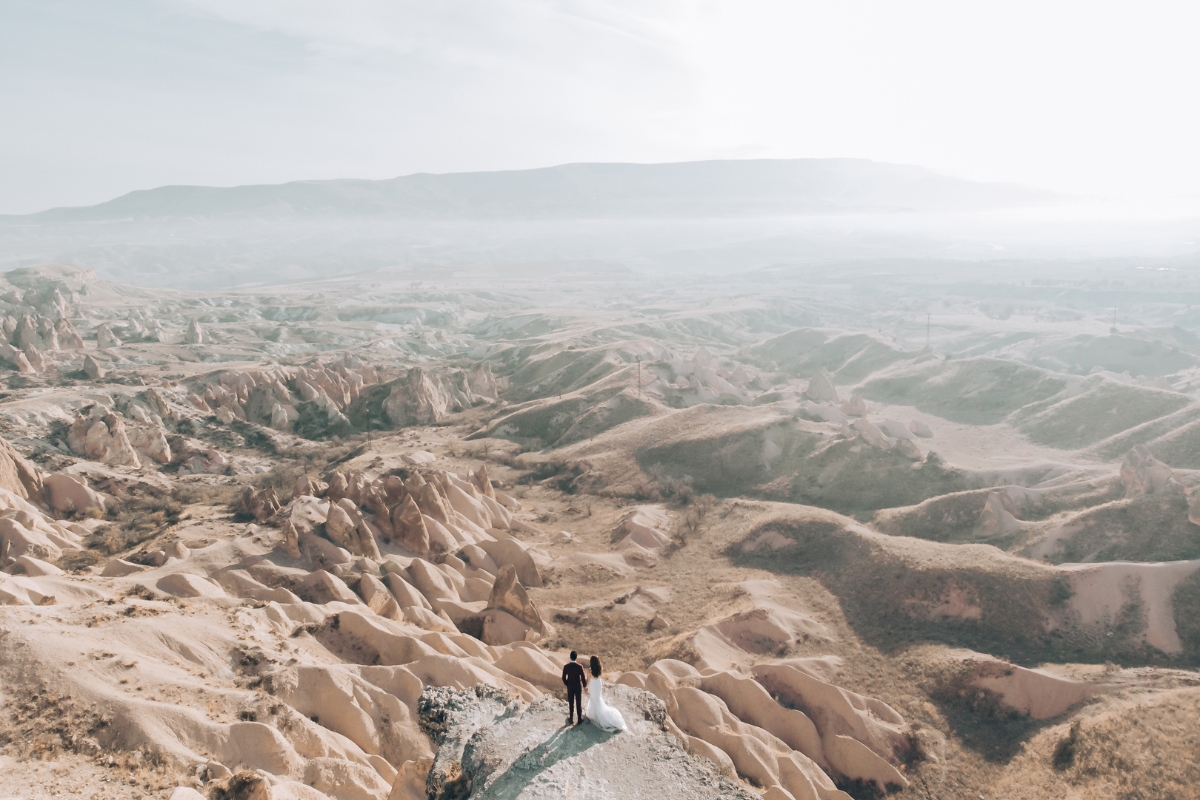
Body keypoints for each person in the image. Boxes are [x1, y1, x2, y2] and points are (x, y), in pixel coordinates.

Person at [585, 655, 627, 732]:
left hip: (593, 684)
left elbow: (588, 680)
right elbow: (599, 676)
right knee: (597, 698)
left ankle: (593, 715)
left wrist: (586, 686)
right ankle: (595, 713)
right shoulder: (599, 668)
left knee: (593, 698)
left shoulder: (589, 671)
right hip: (598, 683)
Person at [561, 650, 587, 726]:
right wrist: (585, 685)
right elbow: (582, 677)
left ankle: (571, 718)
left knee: (571, 702)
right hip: (578, 686)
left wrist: (567, 683)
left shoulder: (566, 667)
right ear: (576, 657)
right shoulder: (579, 667)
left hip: (570, 686)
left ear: (570, 657)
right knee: (578, 702)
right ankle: (579, 719)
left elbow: (563, 677)